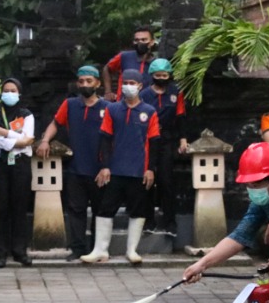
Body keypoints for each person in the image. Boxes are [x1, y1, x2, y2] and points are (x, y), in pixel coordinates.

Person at [183, 142, 269, 283]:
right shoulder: (264, 203)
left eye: (256, 185)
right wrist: (201, 265)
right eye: (248, 186)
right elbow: (239, 236)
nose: (252, 191)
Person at [81, 69, 160, 264]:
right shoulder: (112, 109)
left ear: (141, 86)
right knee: (105, 208)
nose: (129, 86)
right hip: (115, 169)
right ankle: (100, 250)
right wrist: (105, 166)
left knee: (137, 210)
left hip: (139, 170)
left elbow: (155, 142)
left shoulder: (149, 112)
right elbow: (105, 139)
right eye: (126, 82)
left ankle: (132, 250)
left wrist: (150, 169)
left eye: (133, 82)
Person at [37, 66, 108, 260]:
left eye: (89, 81)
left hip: (100, 169)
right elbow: (55, 123)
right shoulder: (69, 104)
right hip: (76, 167)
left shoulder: (108, 108)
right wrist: (45, 140)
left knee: (99, 210)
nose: (85, 84)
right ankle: (77, 248)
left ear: (98, 84)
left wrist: (107, 166)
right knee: (75, 210)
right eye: (82, 81)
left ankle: (97, 249)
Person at [0, 78, 36, 267]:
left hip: (21, 164)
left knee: (20, 208)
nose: (9, 93)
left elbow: (29, 139)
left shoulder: (27, 115)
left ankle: (19, 251)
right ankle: (0, 253)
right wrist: (19, 140)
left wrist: (6, 133)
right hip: (0, 164)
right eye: (6, 90)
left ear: (19, 93)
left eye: (13, 90)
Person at [140, 58, 188, 235]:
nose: (161, 78)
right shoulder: (144, 94)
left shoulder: (176, 92)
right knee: (147, 182)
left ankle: (170, 222)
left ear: (169, 75)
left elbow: (181, 116)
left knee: (166, 181)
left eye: (164, 75)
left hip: (167, 140)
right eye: (157, 75)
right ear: (152, 76)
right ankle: (148, 221)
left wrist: (183, 139)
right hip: (147, 141)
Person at [103, 26, 157, 99]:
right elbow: (107, 68)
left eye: (144, 39)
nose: (140, 42)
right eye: (136, 40)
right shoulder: (124, 56)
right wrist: (108, 91)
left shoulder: (156, 63)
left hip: (146, 104)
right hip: (123, 102)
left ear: (152, 42)